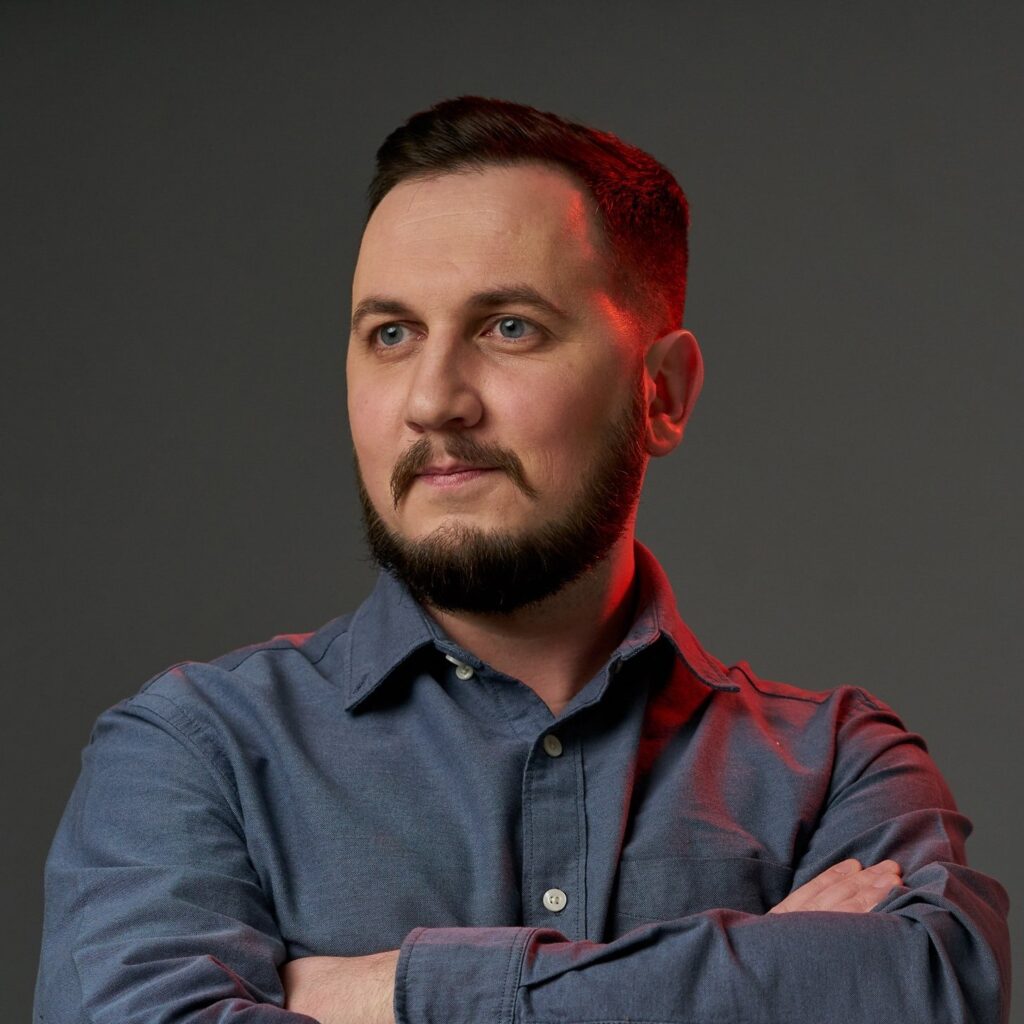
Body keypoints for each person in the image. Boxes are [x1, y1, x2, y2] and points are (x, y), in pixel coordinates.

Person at [34, 96, 1009, 1024]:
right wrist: (764, 974)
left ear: (663, 394)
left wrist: (403, 993)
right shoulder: (194, 754)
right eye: (391, 334)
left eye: (509, 328)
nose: (433, 400)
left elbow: (928, 992)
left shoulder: (836, 769)